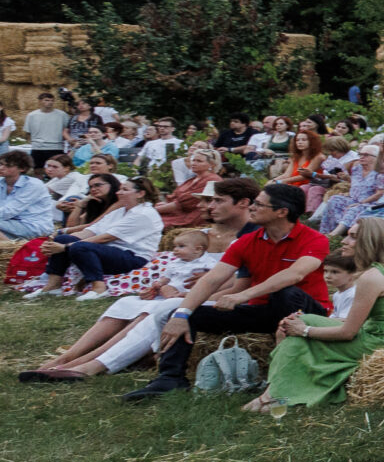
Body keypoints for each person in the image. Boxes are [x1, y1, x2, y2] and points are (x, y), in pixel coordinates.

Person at [124, 182, 332, 402]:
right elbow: (211, 280)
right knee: (185, 314)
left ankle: (290, 374)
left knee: (286, 293)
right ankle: (170, 378)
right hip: (263, 311)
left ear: (282, 212)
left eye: (259, 204)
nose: (251, 208)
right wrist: (182, 313)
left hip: (307, 314)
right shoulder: (246, 241)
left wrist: (243, 295)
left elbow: (295, 275)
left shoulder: (315, 239)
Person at [248, 218, 384, 413]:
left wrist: (305, 331)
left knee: (298, 328)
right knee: (296, 323)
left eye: (353, 237)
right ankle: (276, 392)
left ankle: (272, 396)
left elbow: (348, 333)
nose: (343, 241)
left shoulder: (371, 277)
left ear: (370, 242)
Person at [18, 223, 221, 382]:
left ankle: (91, 363)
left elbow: (221, 282)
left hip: (191, 298)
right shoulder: (195, 242)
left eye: (215, 200)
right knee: (126, 303)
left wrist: (184, 294)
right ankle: (68, 357)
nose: (208, 205)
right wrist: (156, 287)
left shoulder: (213, 258)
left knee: (153, 312)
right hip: (168, 295)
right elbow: (165, 278)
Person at [31, 170, 162, 294]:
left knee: (80, 247)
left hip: (132, 257)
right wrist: (57, 243)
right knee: (64, 239)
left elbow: (106, 238)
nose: (119, 192)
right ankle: (53, 285)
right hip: (108, 251)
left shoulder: (143, 214)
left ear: (140, 194)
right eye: (120, 189)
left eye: (125, 190)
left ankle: (99, 287)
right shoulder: (119, 211)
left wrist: (65, 247)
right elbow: (91, 230)